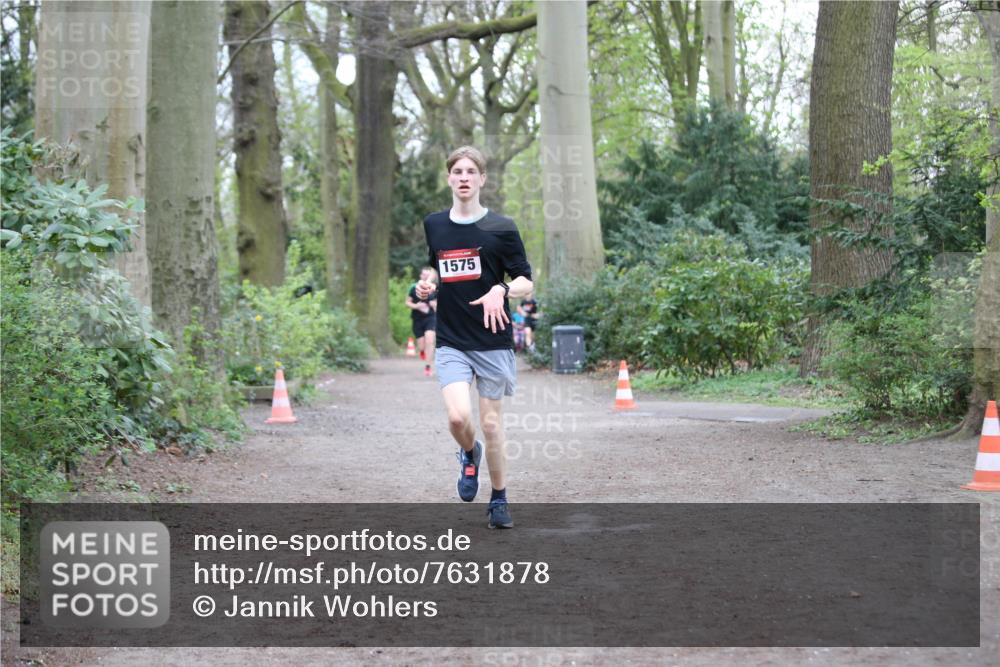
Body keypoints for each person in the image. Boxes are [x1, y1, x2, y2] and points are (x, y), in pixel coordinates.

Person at [414, 145, 533, 529]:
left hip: (493, 339)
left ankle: (499, 499)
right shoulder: (434, 225)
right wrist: (428, 290)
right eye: (457, 171)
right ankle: (469, 453)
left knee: (493, 423)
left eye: (471, 172)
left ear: (482, 179)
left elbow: (526, 281)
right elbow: (441, 271)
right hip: (451, 338)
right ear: (449, 178)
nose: (464, 177)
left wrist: (502, 289)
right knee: (457, 416)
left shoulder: (502, 227)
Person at [406, 266, 438, 376]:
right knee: (421, 345)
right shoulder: (414, 288)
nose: (426, 277)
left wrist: (435, 305)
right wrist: (416, 306)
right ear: (420, 276)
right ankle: (422, 351)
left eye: (428, 275)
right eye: (424, 274)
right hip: (417, 319)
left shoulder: (434, 288)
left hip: (431, 318)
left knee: (430, 341)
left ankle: (428, 366)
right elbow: (407, 303)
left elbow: (440, 305)